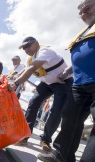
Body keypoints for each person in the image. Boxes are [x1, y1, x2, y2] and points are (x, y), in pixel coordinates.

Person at [38, 0, 95, 161]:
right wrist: (67, 70)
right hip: (80, 83)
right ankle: (62, 155)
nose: (83, 13)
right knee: (70, 118)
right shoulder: (86, 32)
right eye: (81, 12)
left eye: (88, 8)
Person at [12, 36, 74, 152]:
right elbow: (26, 68)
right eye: (24, 48)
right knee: (33, 103)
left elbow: (32, 69)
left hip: (63, 83)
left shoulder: (45, 51)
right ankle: (24, 136)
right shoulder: (30, 59)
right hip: (47, 83)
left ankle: (45, 140)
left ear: (36, 43)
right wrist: (14, 76)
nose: (26, 49)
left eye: (28, 46)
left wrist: (16, 83)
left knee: (56, 110)